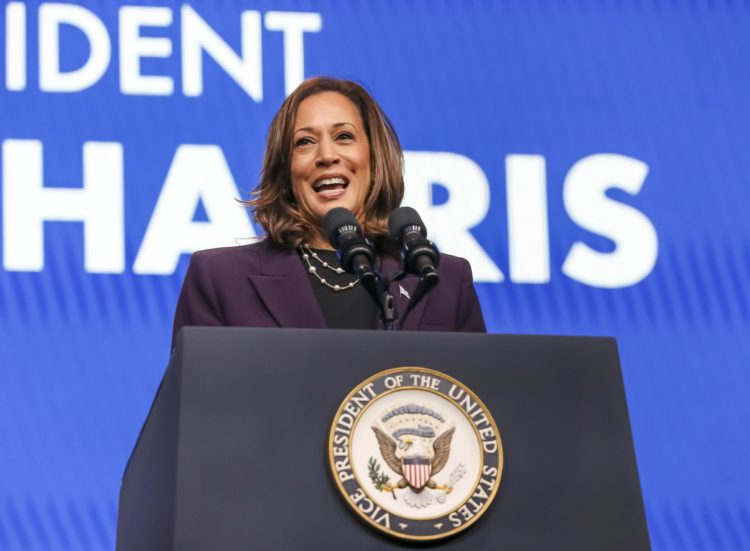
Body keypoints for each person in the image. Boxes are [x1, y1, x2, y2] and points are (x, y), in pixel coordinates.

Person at [172, 77, 485, 346]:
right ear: (286, 171)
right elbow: (198, 408)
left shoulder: (442, 279)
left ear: (374, 158)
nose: (326, 155)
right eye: (305, 142)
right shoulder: (221, 278)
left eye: (344, 136)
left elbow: (476, 407)